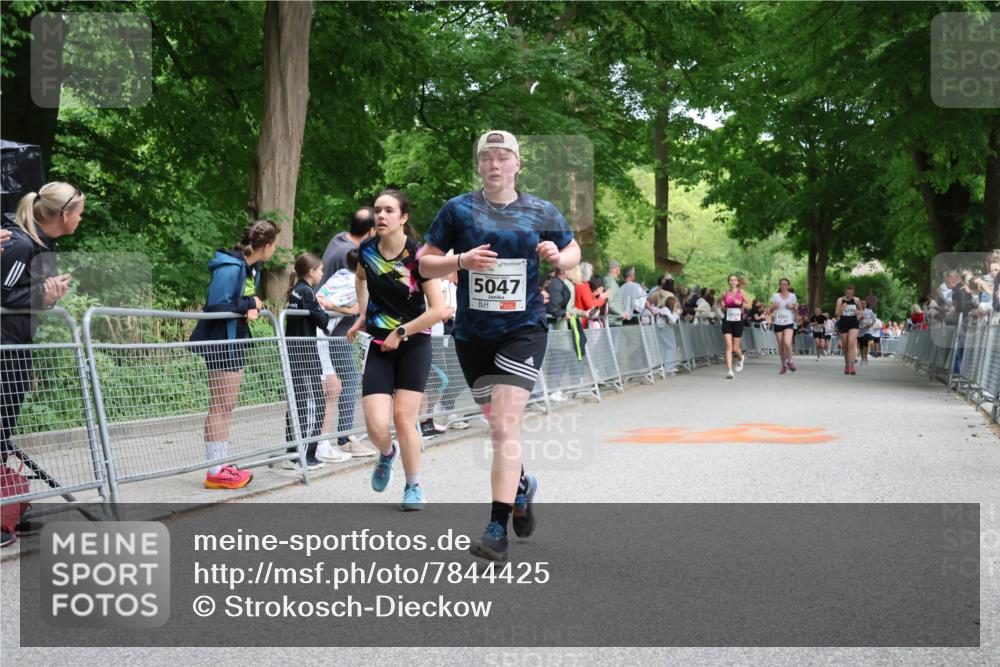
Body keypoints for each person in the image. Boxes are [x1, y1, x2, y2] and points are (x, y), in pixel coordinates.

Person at [419, 130, 580, 562]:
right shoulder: (458, 209)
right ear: (479, 165)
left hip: (524, 329)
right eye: (487, 157)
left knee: (504, 426)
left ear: (517, 165)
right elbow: (424, 260)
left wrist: (557, 257)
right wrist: (459, 261)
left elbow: (573, 251)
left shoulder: (540, 210)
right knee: (498, 428)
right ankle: (521, 486)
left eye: (503, 156)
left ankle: (496, 528)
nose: (494, 164)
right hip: (473, 335)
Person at [347, 190, 445, 511]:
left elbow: (439, 309)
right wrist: (363, 314)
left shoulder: (419, 257)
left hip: (414, 343)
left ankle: (413, 486)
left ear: (403, 218)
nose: (381, 216)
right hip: (379, 344)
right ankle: (387, 453)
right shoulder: (367, 251)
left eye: (389, 210)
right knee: (375, 424)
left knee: (404, 418)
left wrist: (401, 332)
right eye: (377, 210)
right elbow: (361, 279)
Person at [1, 183, 84, 546]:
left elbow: (25, 297)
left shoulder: (41, 247)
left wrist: (47, 298)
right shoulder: (19, 244)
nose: (81, 218)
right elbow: (4, 295)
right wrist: (42, 294)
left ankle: (8, 509)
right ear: (64, 214)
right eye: (79, 211)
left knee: (3, 432)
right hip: (4, 348)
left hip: (18, 345)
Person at [189, 219, 278, 489]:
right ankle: (214, 471)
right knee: (220, 405)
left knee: (226, 405)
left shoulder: (251, 268)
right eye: (274, 245)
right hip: (220, 340)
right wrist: (249, 304)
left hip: (236, 338)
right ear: (267, 246)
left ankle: (221, 464)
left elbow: (236, 303)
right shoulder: (230, 267)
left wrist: (247, 308)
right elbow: (215, 306)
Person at [283, 252, 350, 468]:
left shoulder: (295, 291)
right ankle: (305, 456)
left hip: (294, 353)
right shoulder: (307, 293)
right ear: (311, 272)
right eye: (320, 269)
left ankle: (293, 452)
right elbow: (322, 321)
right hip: (306, 354)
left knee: (298, 401)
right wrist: (323, 307)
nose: (323, 273)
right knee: (313, 403)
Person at [319, 210, 376, 457]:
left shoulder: (338, 240)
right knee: (349, 379)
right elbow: (352, 291)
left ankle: (329, 440)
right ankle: (343, 438)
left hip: (333, 327)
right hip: (336, 329)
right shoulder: (350, 255)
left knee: (337, 383)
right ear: (371, 231)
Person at [719, 274, 748, 379]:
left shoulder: (741, 292)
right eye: (731, 280)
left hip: (738, 321)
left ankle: (741, 358)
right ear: (728, 282)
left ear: (737, 282)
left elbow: (749, 305)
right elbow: (722, 307)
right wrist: (722, 306)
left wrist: (740, 303)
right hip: (727, 320)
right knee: (728, 345)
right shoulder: (725, 293)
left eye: (735, 280)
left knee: (735, 348)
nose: (732, 282)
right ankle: (730, 371)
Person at [768, 277, 798, 374]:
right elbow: (769, 311)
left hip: (789, 322)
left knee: (787, 343)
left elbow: (797, 308)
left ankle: (791, 361)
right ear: (779, 285)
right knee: (781, 346)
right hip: (778, 323)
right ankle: (783, 365)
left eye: (785, 284)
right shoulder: (775, 296)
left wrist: (792, 307)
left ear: (788, 286)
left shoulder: (792, 296)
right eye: (782, 284)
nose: (784, 286)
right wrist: (773, 307)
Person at [836, 284, 863, 375]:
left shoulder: (856, 300)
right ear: (845, 292)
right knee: (845, 346)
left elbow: (862, 313)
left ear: (853, 293)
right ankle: (847, 365)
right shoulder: (840, 300)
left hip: (853, 324)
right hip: (843, 324)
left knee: (851, 344)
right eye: (847, 293)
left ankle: (852, 366)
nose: (849, 295)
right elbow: (837, 314)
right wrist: (842, 308)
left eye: (851, 293)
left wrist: (858, 313)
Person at [574, 261, 606, 327]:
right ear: (587, 273)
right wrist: (602, 299)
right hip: (584, 323)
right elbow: (591, 306)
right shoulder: (582, 287)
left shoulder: (582, 286)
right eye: (591, 271)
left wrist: (593, 295)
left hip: (583, 322)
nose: (592, 273)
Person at [602, 260, 624, 326]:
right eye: (619, 268)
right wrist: (621, 313)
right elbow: (610, 303)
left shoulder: (613, 282)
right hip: (612, 322)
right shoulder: (611, 282)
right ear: (617, 270)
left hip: (615, 320)